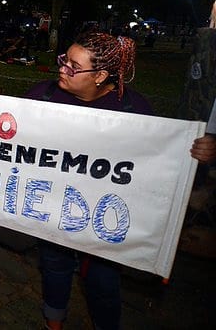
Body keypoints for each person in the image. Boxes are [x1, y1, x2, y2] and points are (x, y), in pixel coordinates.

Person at [25, 32, 152, 330]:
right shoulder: (43, 94)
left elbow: (159, 161)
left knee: (103, 280)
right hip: (55, 210)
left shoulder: (135, 112)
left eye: (73, 65)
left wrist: (197, 151)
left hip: (105, 220)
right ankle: (53, 319)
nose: (62, 69)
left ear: (100, 76)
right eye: (63, 60)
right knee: (54, 265)